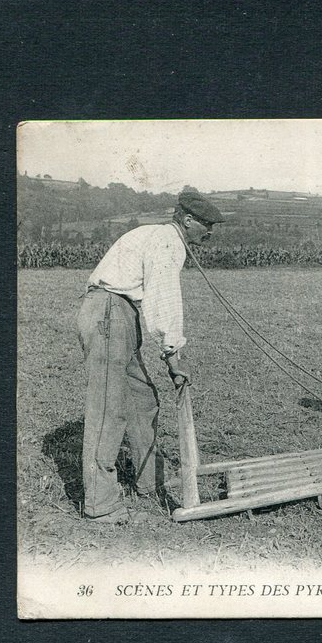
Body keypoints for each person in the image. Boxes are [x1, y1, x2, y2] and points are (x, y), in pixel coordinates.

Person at [76, 190, 225, 523]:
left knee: (142, 400)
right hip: (108, 313)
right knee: (107, 410)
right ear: (187, 220)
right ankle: (101, 504)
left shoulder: (163, 238)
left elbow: (150, 302)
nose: (211, 232)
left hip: (121, 316)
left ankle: (150, 482)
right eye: (207, 225)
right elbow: (164, 301)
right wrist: (172, 356)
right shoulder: (167, 242)